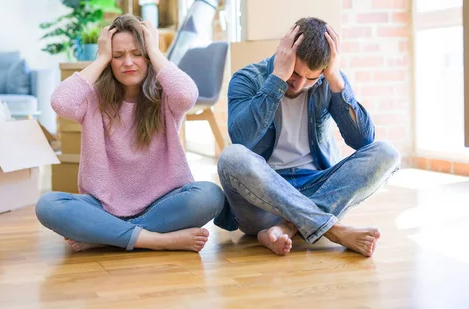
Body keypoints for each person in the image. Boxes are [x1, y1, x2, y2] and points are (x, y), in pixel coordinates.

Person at [36, 14, 224, 253]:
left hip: (162, 202)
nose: (128, 62)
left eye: (137, 53)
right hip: (103, 206)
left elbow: (187, 95)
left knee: (210, 195)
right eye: (118, 56)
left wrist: (155, 50)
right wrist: (101, 57)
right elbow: (60, 102)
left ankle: (106, 235)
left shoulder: (165, 95)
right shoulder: (93, 98)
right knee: (48, 205)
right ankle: (156, 240)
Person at [214, 17, 400, 257]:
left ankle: (289, 226)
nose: (299, 84)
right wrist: (278, 79)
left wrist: (334, 78)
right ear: (284, 53)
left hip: (316, 190)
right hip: (262, 200)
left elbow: (363, 141)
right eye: (294, 72)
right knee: (232, 156)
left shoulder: (329, 80)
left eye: (311, 78)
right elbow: (242, 138)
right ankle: (331, 229)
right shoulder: (247, 78)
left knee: (387, 152)